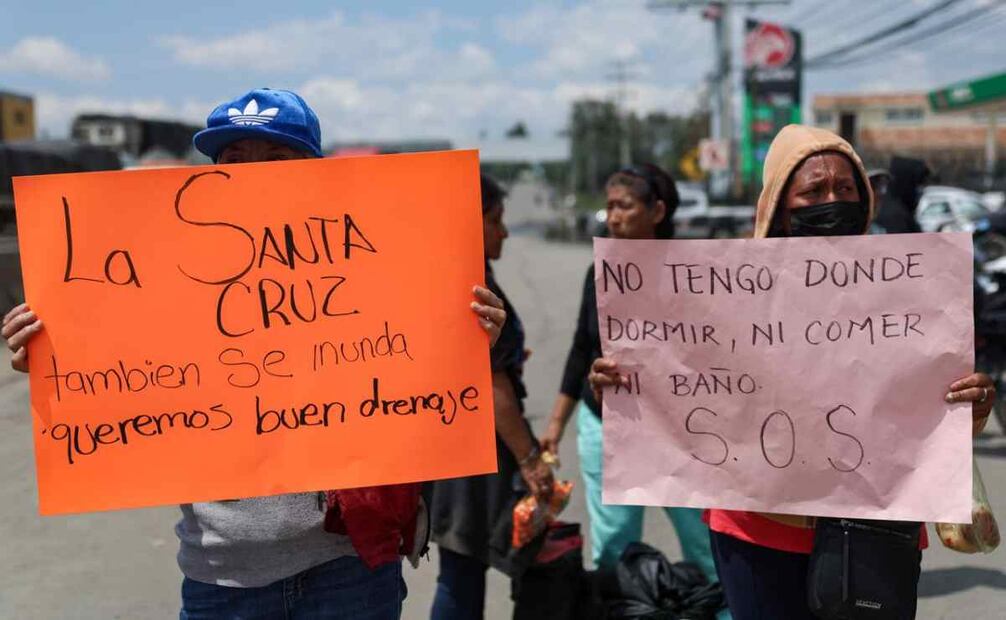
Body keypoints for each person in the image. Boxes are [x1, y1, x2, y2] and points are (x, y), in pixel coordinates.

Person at [1, 87, 508, 620]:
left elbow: (421, 402)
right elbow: (118, 387)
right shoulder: (162, 278)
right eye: (234, 160)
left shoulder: (379, 270)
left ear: (315, 170)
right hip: (220, 577)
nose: (252, 174)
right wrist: (53, 358)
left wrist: (462, 346)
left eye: (275, 159)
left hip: (350, 569)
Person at [587, 125, 996, 619]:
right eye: (813, 191)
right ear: (780, 202)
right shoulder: (723, 293)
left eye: (845, 188)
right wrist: (628, 385)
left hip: (872, 530)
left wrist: (970, 407)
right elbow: (680, 376)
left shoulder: (907, 290)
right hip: (758, 529)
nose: (832, 200)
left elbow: (927, 415)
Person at [540, 164, 720, 583]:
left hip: (682, 434)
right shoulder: (599, 272)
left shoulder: (695, 275)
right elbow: (581, 350)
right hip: (607, 428)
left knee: (705, 546)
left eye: (624, 205)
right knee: (614, 553)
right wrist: (555, 425)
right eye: (609, 206)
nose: (613, 216)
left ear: (657, 211)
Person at [429, 175, 555, 620]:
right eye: (494, 220)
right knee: (463, 570)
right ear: (470, 224)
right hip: (474, 456)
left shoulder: (455, 273)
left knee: (464, 566)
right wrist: (531, 458)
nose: (503, 231)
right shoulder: (473, 285)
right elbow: (492, 384)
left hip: (458, 449)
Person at [873, 155, 931, 234]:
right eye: (918, 184)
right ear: (907, 183)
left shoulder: (899, 211)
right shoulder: (895, 217)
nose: (921, 189)